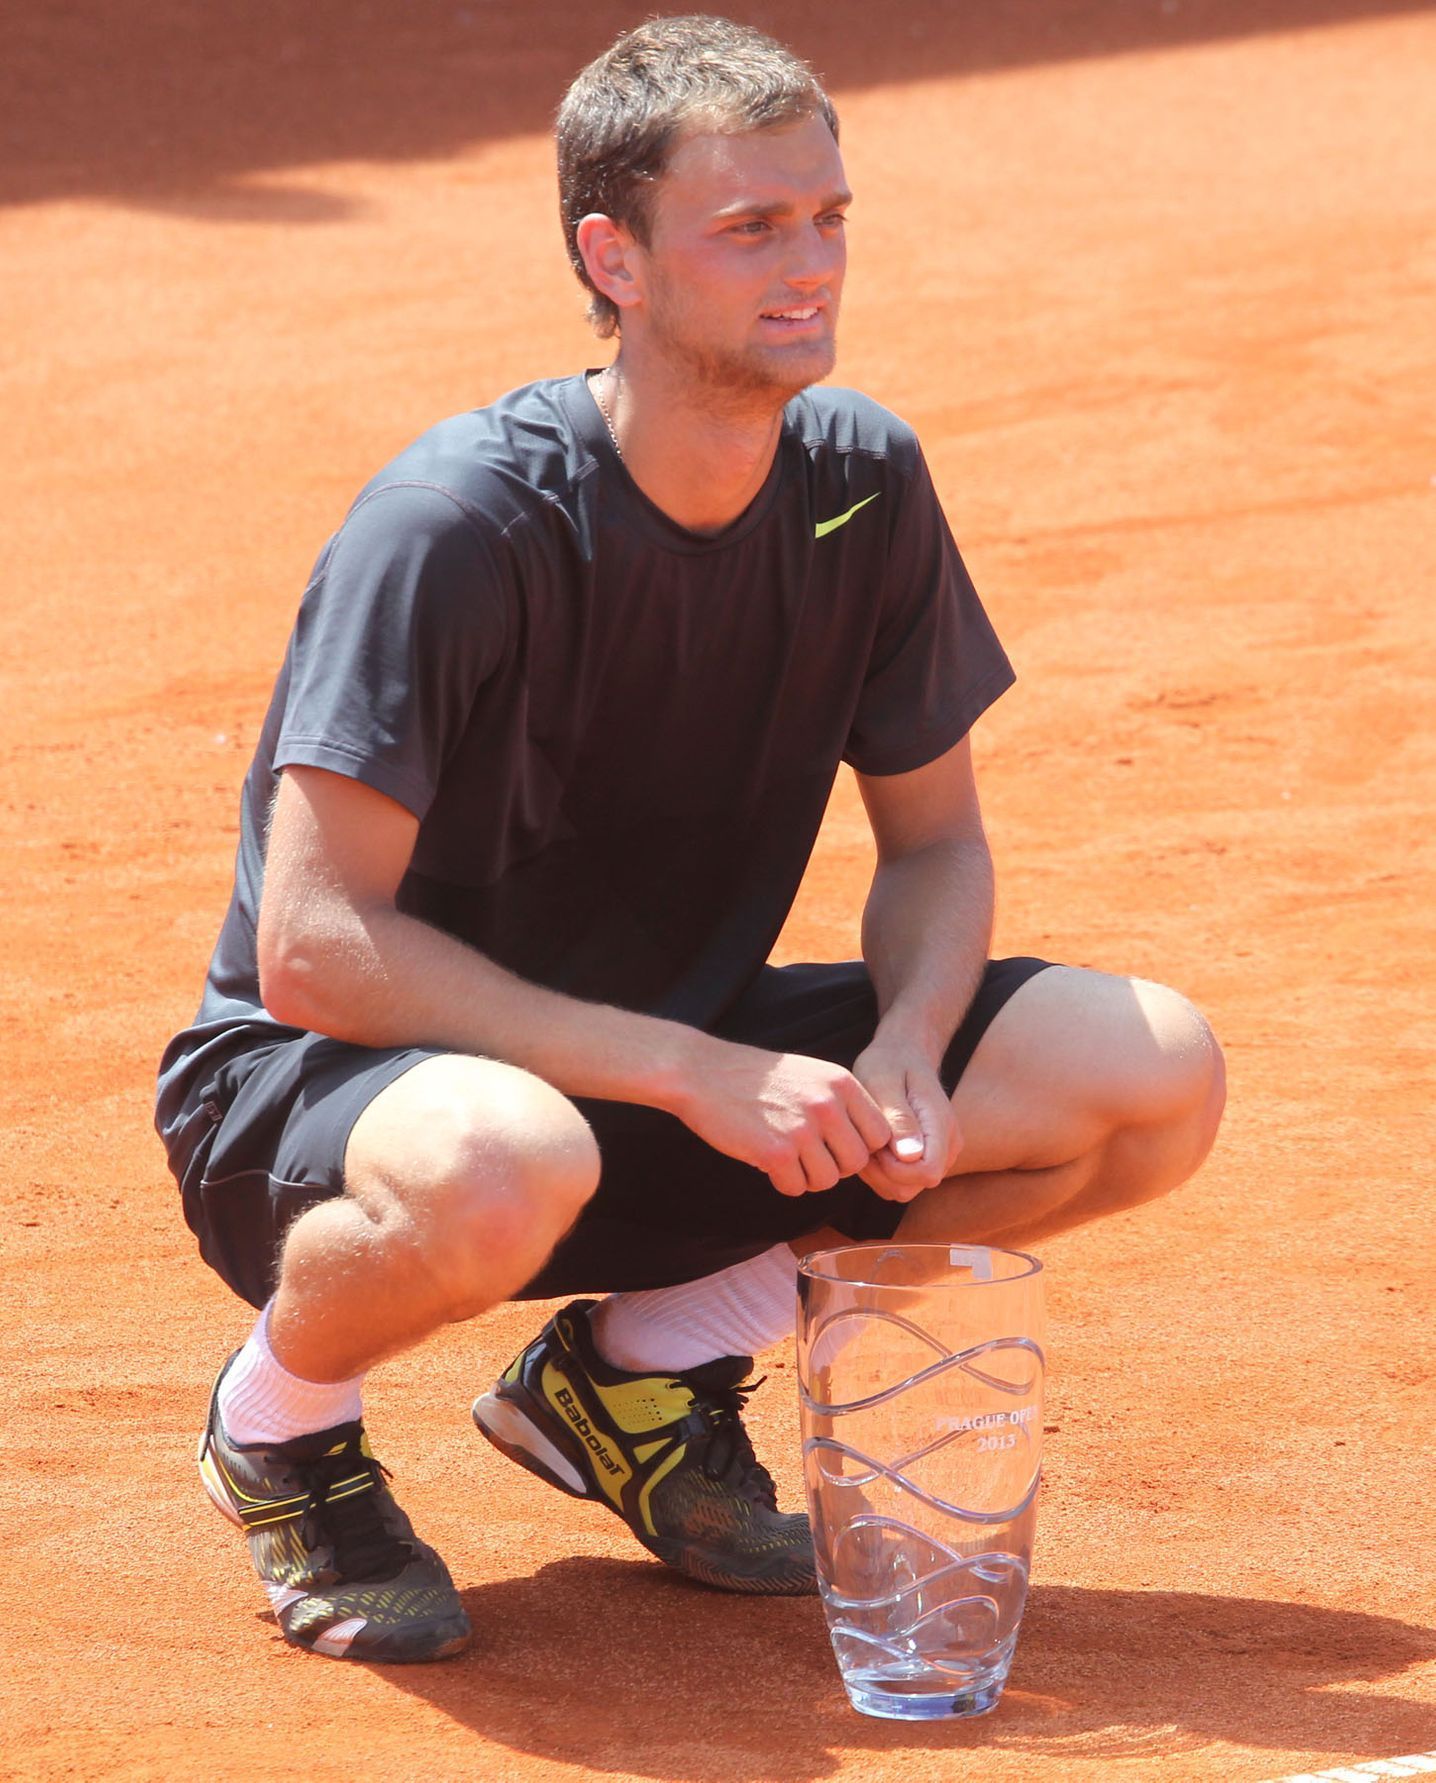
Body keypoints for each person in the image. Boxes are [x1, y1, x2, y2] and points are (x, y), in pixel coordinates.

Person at [155, 14, 1225, 1664]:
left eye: (829, 218)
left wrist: (917, 1051)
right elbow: (315, 944)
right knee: (512, 1154)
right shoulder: (455, 526)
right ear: (617, 256)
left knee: (1148, 1076)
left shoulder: (863, 479)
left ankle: (633, 1380)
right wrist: (691, 1072)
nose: (810, 266)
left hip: (655, 1073)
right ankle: (282, 1423)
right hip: (333, 1098)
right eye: (751, 229)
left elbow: (934, 844)